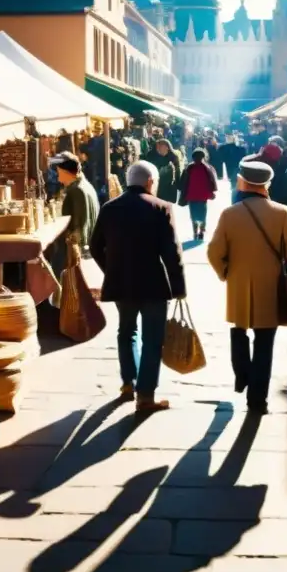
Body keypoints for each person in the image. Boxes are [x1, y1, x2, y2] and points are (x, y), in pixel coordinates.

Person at [207, 159, 287, 414]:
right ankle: (257, 400)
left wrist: (224, 273)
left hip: (238, 283)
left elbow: (214, 251)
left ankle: (242, 374)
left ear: (243, 182)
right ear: (267, 184)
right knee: (264, 342)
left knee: (239, 330)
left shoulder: (230, 213)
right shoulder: (282, 212)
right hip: (270, 286)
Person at [89, 161, 186, 412]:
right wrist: (178, 286)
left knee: (126, 331)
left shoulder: (109, 208)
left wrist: (110, 269)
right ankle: (145, 395)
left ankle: (128, 383)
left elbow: (95, 246)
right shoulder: (161, 207)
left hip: (122, 282)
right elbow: (171, 252)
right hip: (153, 284)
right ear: (150, 182)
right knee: (153, 339)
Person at [178, 148, 218, 240]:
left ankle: (195, 231)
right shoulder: (207, 168)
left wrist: (182, 191)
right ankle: (201, 231)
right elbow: (212, 182)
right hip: (203, 197)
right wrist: (211, 192)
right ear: (203, 157)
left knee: (193, 214)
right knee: (203, 213)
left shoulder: (189, 167)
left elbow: (183, 182)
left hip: (191, 196)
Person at [142, 138, 181, 204]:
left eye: (167, 148)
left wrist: (178, 184)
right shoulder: (151, 156)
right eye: (163, 147)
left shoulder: (173, 157)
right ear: (157, 147)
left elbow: (177, 173)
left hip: (168, 188)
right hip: (154, 187)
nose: (166, 149)